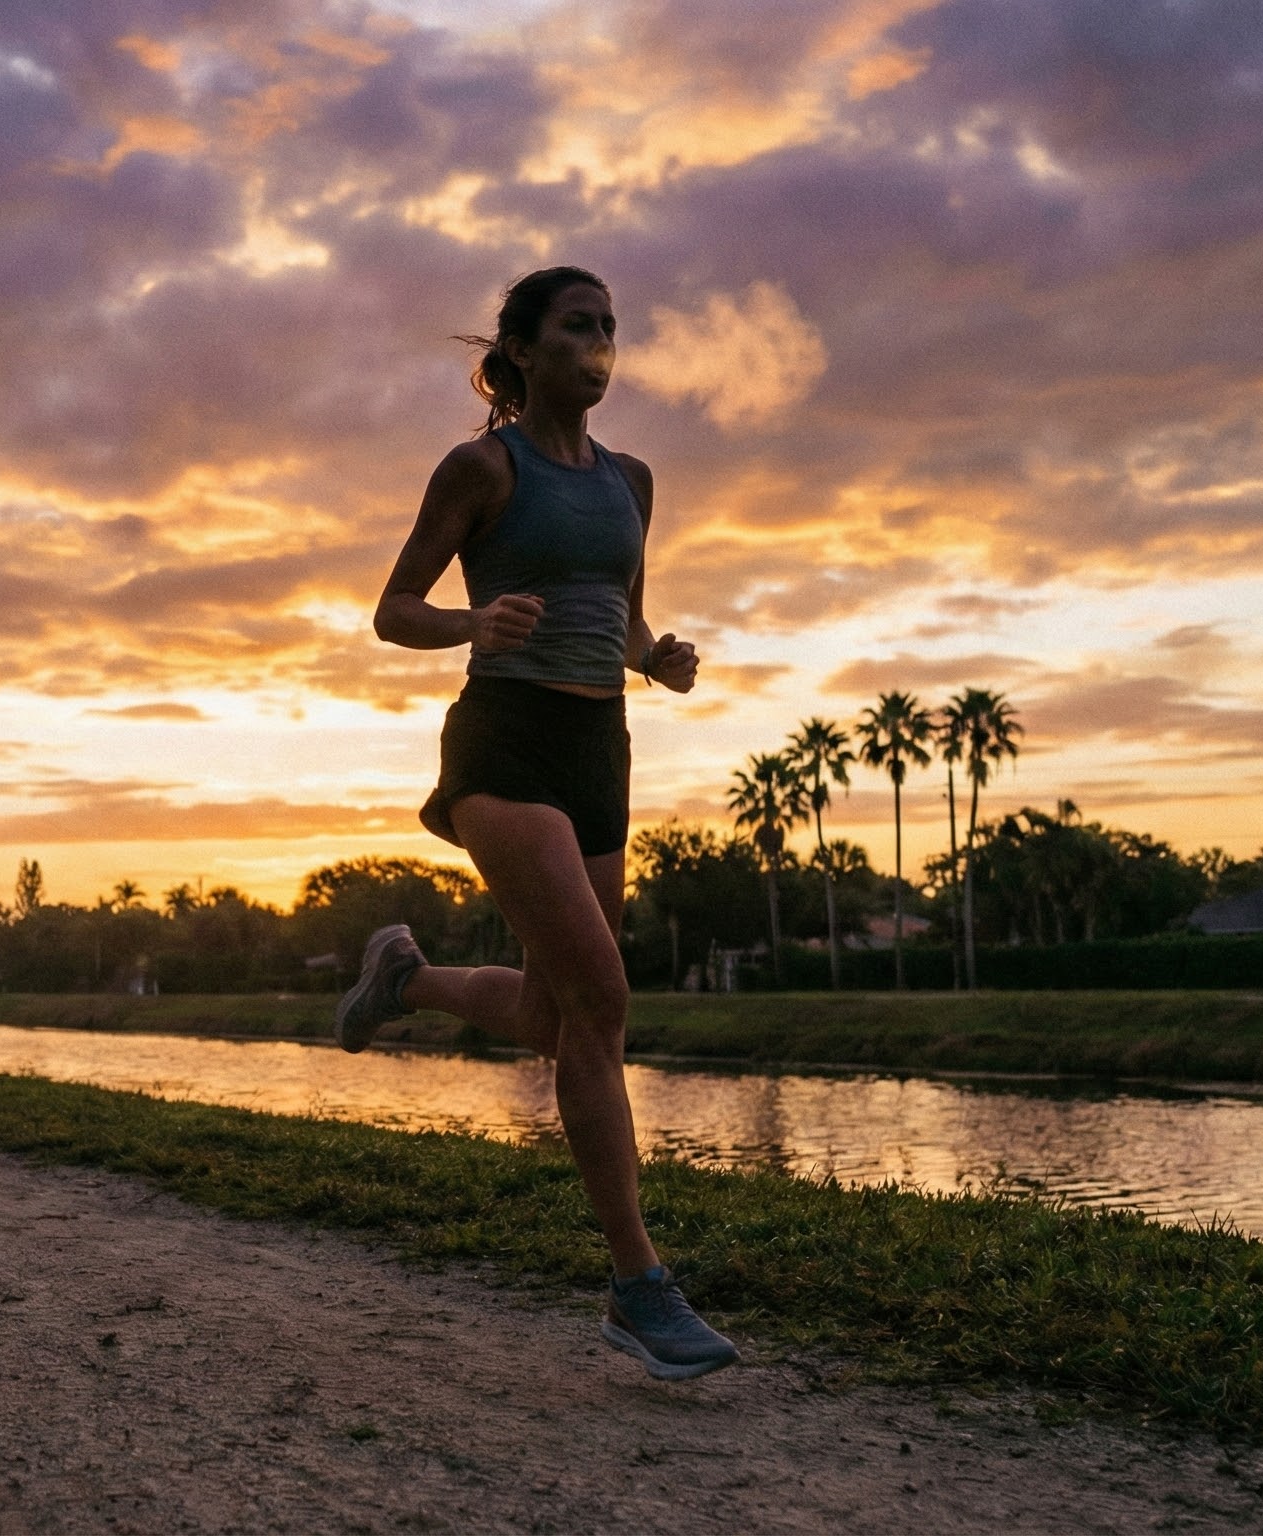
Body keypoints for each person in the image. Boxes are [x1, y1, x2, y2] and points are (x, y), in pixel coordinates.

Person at [335, 266, 738, 1381]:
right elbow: (393, 608)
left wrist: (654, 659)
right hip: (503, 744)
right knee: (604, 999)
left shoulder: (632, 481)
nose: (600, 342)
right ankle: (636, 1287)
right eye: (578, 324)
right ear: (520, 349)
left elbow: (622, 616)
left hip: (598, 749)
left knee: (559, 1019)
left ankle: (403, 979)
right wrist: (476, 621)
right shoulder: (481, 466)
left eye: (610, 325)